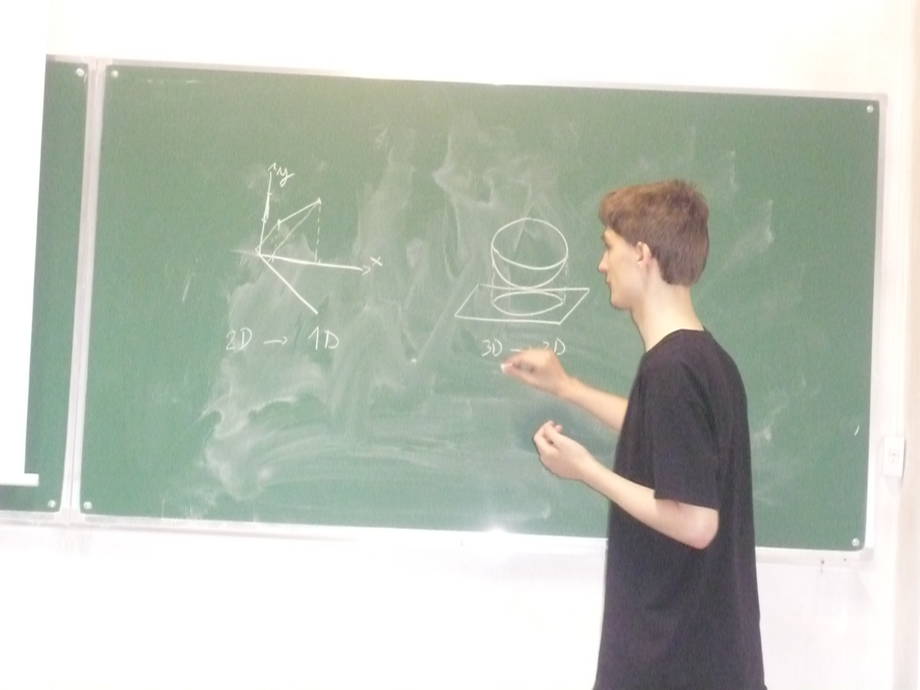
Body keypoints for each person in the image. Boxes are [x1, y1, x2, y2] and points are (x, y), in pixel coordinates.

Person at [502, 180, 766, 689]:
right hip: (704, 658)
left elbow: (697, 523)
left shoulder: (673, 369)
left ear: (642, 254)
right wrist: (567, 387)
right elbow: (666, 436)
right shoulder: (704, 360)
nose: (602, 265)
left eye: (609, 247)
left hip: (673, 661)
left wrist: (586, 471)